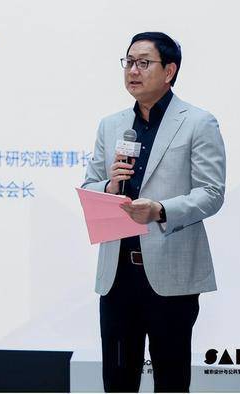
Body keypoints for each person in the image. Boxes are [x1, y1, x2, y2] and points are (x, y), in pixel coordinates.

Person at [82, 32, 226, 392]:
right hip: (117, 275)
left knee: (171, 380)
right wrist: (109, 187)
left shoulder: (198, 122)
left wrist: (160, 210)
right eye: (129, 62)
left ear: (169, 71)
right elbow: (90, 185)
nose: (133, 70)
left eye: (144, 63)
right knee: (117, 380)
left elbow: (211, 193)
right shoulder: (111, 125)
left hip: (170, 275)